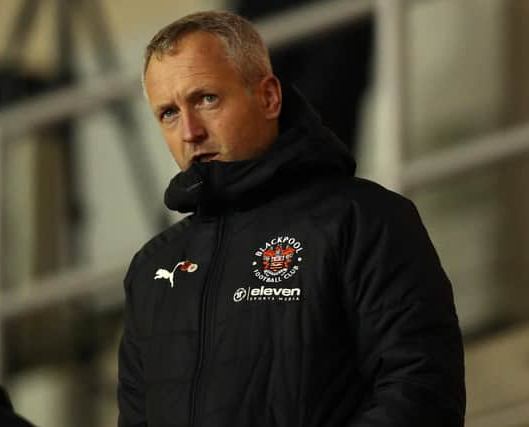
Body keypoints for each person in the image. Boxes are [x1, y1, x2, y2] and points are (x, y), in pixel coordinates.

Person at [117, 10, 465, 427]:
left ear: (268, 98)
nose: (189, 131)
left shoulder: (364, 221)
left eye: (206, 98)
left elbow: (420, 393)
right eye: (168, 113)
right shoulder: (153, 267)